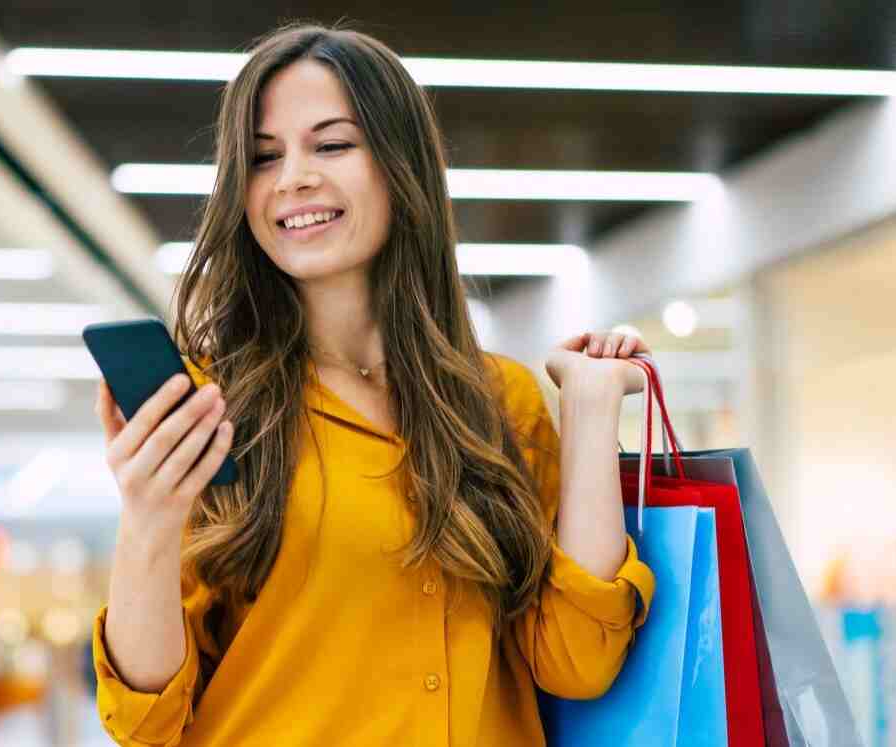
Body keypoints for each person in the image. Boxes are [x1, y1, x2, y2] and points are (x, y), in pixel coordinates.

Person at [90, 23, 655, 746]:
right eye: (264, 158)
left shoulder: (498, 401)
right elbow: (144, 720)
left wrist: (590, 401)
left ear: (401, 165)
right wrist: (147, 518)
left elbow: (578, 660)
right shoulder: (211, 410)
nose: (293, 177)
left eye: (331, 144)